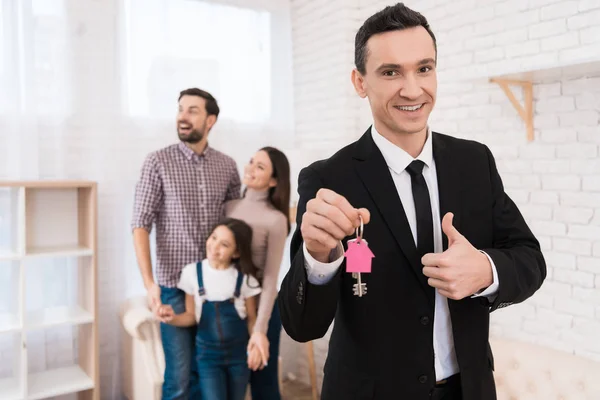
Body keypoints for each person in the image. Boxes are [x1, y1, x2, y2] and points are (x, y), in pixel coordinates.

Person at [278, 3, 546, 400]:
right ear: (360, 82)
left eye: (424, 68)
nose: (413, 89)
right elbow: (303, 326)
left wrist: (486, 270)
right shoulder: (327, 180)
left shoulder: (475, 162)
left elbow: (530, 259)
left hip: (468, 390)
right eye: (390, 72)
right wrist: (318, 257)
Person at [131, 88, 241, 400]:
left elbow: (235, 227)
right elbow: (140, 224)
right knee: (179, 379)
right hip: (174, 288)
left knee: (209, 375)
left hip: (217, 286)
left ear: (210, 120)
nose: (182, 116)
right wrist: (150, 284)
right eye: (180, 109)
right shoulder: (158, 162)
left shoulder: (228, 166)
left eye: (192, 110)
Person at [158, 218, 263, 400]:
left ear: (236, 252)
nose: (214, 247)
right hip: (208, 358)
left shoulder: (245, 279)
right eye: (213, 238)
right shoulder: (192, 272)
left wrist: (256, 344)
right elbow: (191, 316)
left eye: (224, 244)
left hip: (239, 357)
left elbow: (252, 319)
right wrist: (171, 318)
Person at [225, 146, 291, 400]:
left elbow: (271, 278)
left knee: (263, 384)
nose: (251, 168)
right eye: (251, 161)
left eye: (260, 167)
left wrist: (260, 330)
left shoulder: (276, 219)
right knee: (231, 382)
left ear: (274, 180)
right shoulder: (228, 207)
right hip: (230, 308)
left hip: (263, 310)